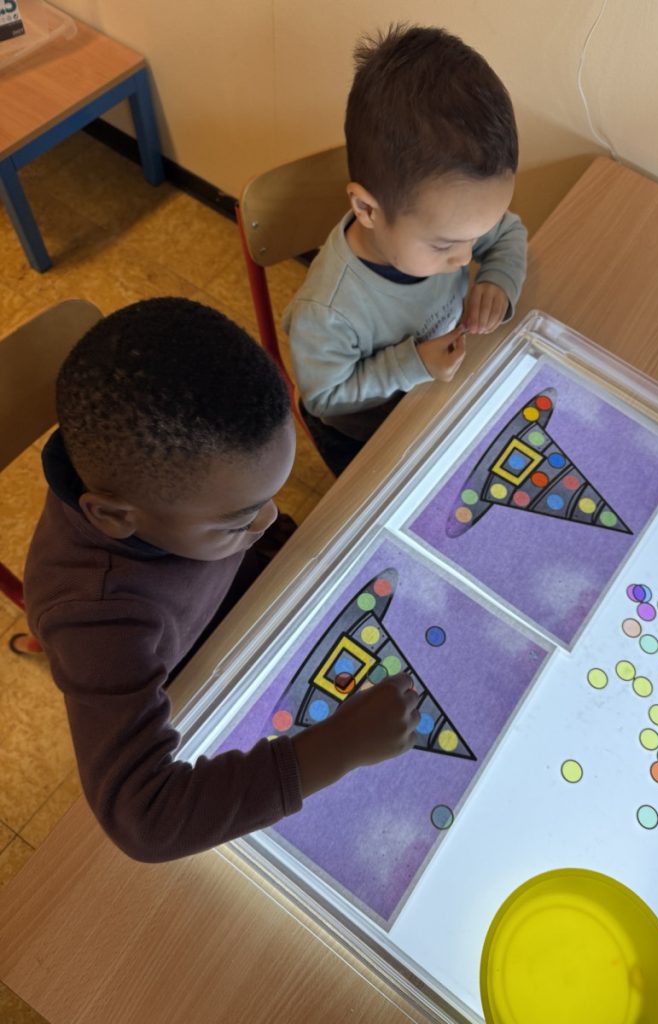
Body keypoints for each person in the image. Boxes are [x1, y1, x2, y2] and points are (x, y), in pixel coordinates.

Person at [24, 297, 419, 862]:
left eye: (268, 497)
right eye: (238, 520)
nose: (268, 520)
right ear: (114, 517)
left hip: (249, 622)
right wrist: (339, 746)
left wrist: (279, 549)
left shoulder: (173, 484)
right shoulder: (96, 619)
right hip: (199, 685)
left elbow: (257, 529)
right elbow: (145, 819)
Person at [285, 24, 527, 476]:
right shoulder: (327, 312)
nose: (465, 259)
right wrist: (411, 365)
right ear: (367, 210)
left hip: (433, 394)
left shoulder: (449, 222)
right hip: (363, 432)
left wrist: (498, 281)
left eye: (475, 236)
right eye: (445, 245)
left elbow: (509, 233)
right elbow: (325, 398)